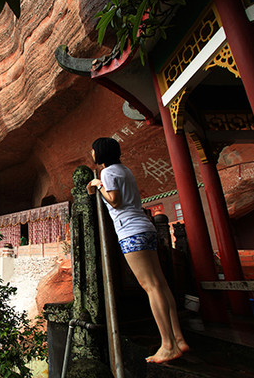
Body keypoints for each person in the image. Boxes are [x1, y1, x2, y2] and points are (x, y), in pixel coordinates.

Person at [86, 137, 189, 363]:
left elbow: (114, 200)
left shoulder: (107, 173)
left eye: (93, 151)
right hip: (145, 227)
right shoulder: (125, 170)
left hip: (130, 231)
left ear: (101, 153)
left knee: (150, 286)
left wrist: (98, 185)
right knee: (160, 283)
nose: (92, 154)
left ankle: (168, 345)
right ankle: (179, 338)